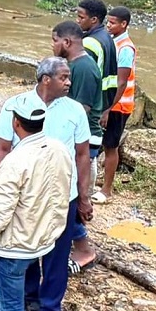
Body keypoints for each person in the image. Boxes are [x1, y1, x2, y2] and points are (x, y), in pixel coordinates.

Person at [0, 57, 91, 311]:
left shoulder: (75, 111)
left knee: (57, 258)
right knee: (26, 251)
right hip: (25, 198)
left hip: (63, 198)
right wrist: (2, 189)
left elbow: (82, 154)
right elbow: (1, 148)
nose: (69, 82)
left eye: (69, 77)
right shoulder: (16, 105)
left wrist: (84, 197)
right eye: (64, 77)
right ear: (45, 79)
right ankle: (30, 301)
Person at [0, 99, 72, 311]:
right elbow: (62, 193)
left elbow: (0, 214)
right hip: (43, 240)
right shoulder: (59, 149)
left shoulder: (14, 161)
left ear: (16, 123)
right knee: (7, 300)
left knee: (11, 308)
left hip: (14, 247)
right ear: (41, 122)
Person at [51, 21, 101, 273]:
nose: (52, 46)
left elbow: (81, 110)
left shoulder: (82, 68)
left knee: (71, 195)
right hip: (75, 140)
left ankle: (83, 248)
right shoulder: (76, 66)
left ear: (66, 42)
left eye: (54, 40)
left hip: (84, 142)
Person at [96, 6, 138, 203]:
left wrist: (107, 109)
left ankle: (106, 190)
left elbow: (121, 82)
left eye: (113, 23)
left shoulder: (125, 48)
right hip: (109, 103)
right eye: (108, 22)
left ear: (124, 24)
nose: (109, 26)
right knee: (102, 142)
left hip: (118, 106)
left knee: (110, 146)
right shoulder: (113, 42)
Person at [76, 0, 118, 115]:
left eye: (81, 17)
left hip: (92, 103)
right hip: (104, 101)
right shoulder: (106, 36)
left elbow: (85, 77)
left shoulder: (89, 43)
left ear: (94, 19)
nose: (77, 20)